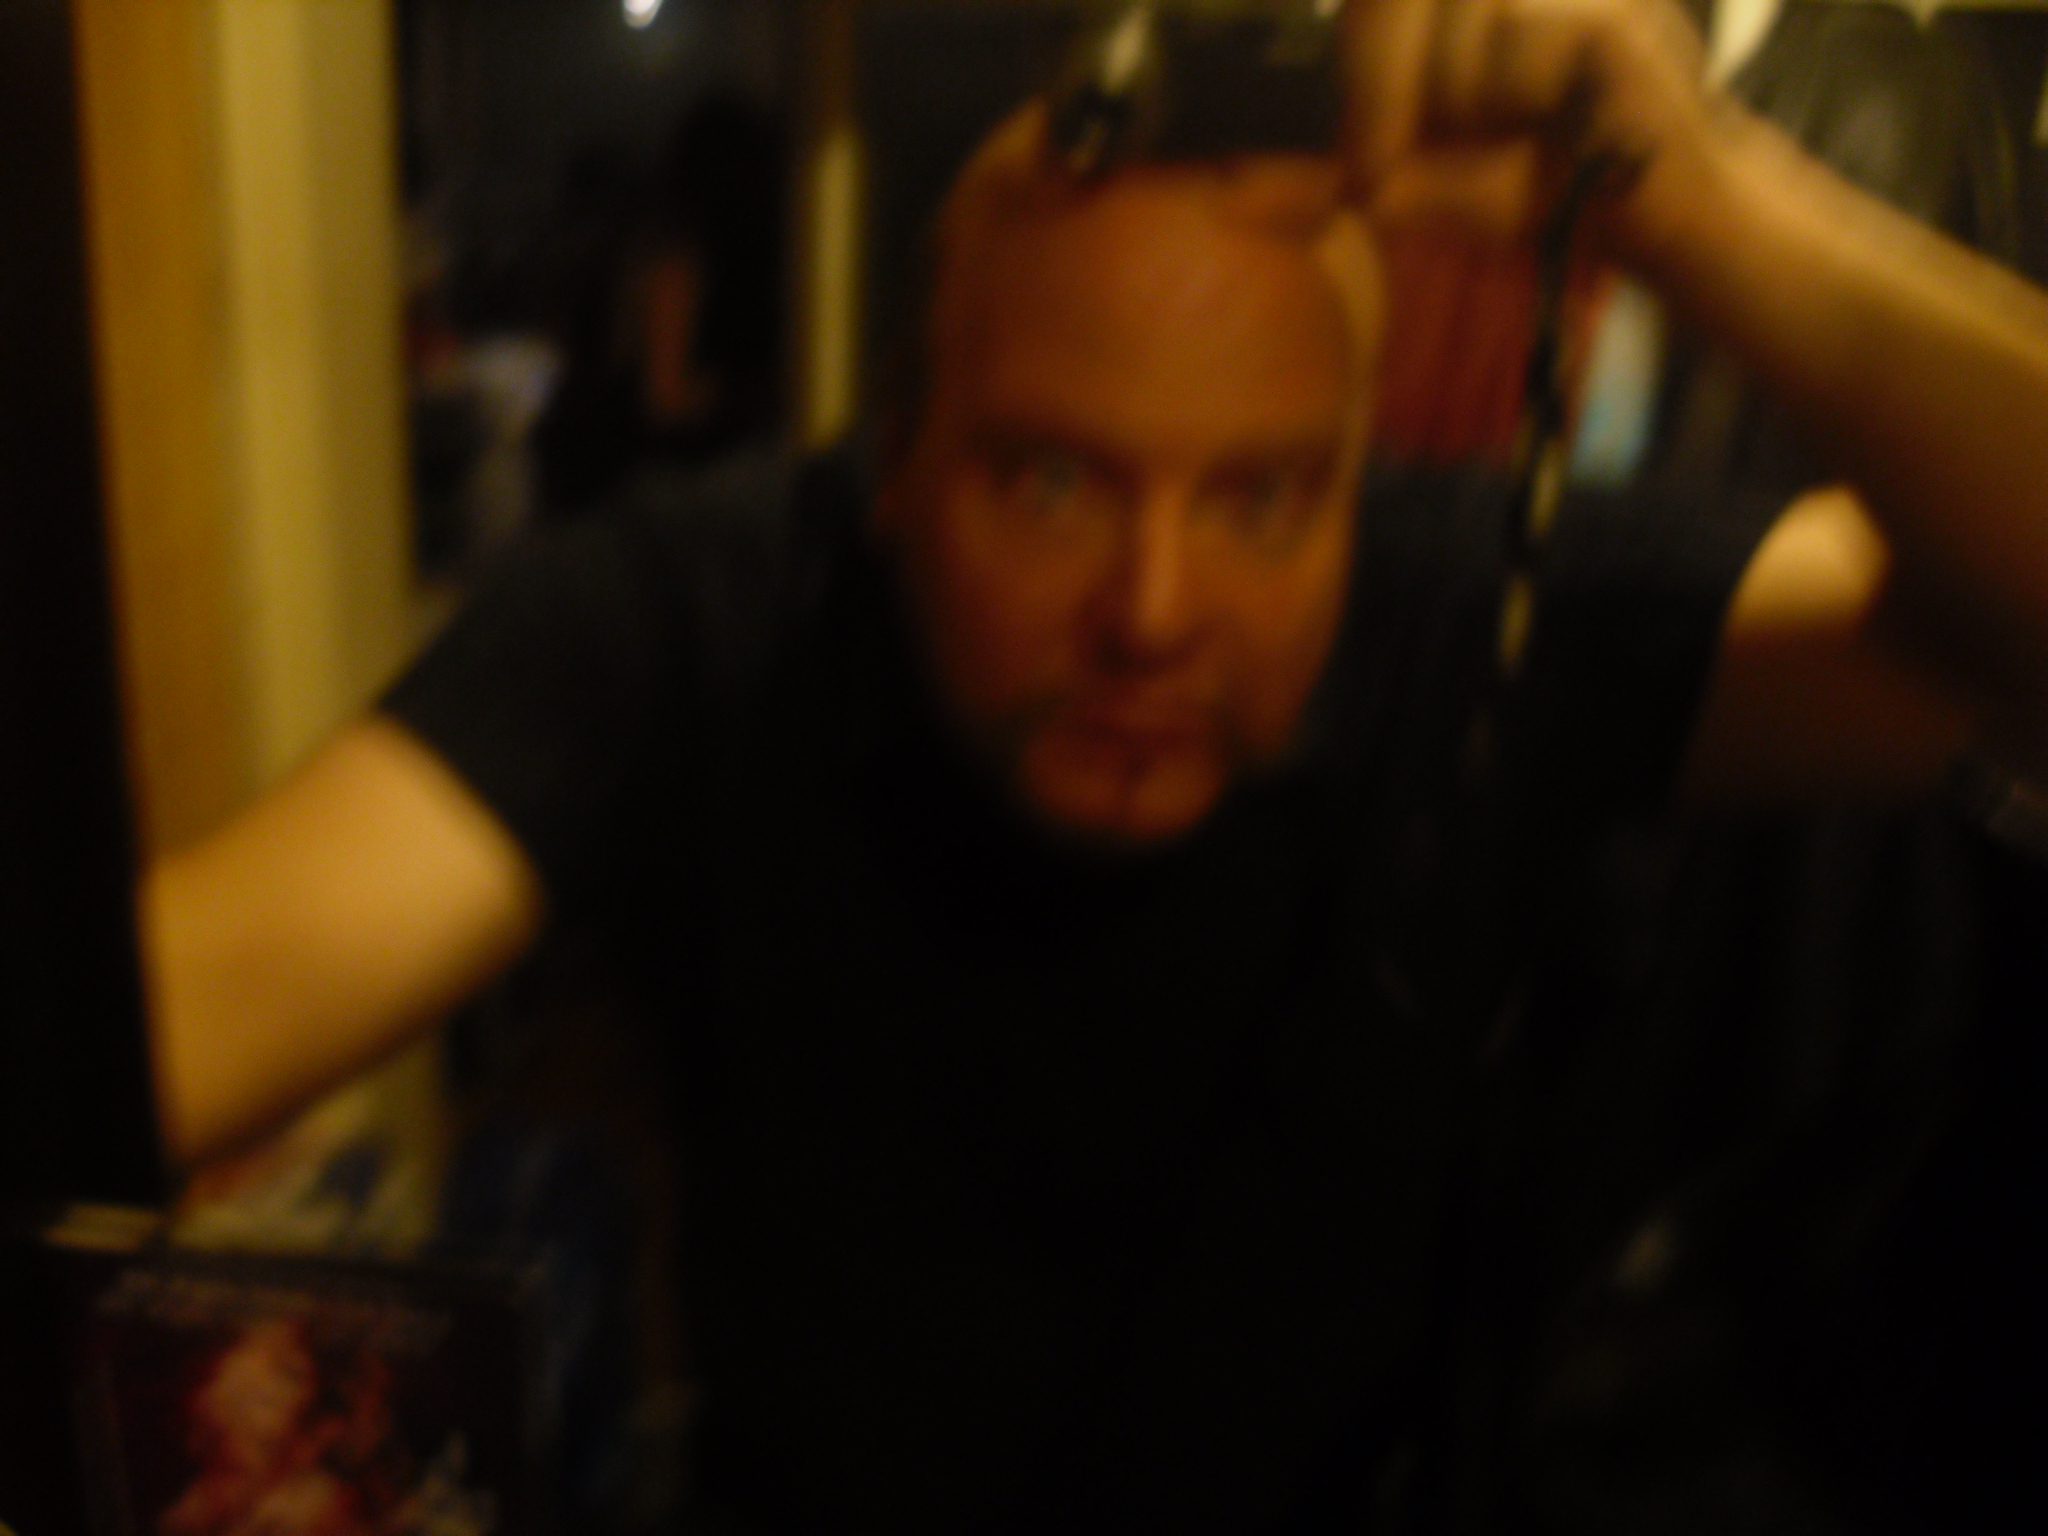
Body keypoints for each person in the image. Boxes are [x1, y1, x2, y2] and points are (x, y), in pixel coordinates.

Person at [140, 0, 2048, 1528]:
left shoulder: (1467, 602)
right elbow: (186, 1001)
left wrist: (1703, 205)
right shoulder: (693, 612)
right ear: (898, 461)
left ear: (1356, 482)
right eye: (1052, 480)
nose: (1155, 610)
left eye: (1263, 496)